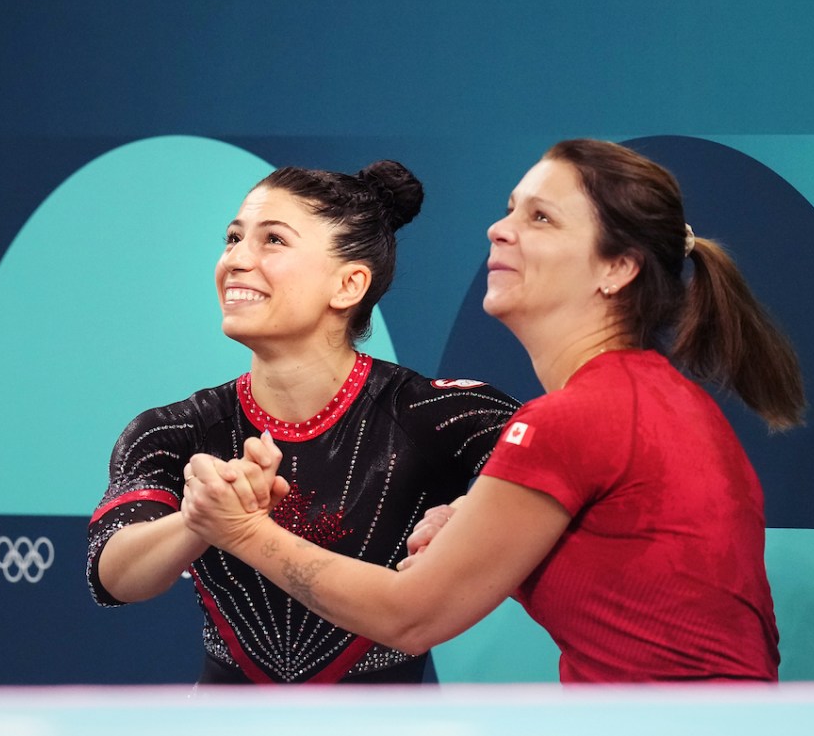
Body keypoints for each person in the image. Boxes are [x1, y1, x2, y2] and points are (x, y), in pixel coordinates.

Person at [183, 139, 806, 683]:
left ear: (616, 268)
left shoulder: (575, 419)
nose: (499, 229)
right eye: (510, 209)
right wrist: (474, 518)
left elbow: (411, 614)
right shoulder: (654, 399)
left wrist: (240, 531)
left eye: (541, 218)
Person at [86, 160, 520, 684]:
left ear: (348, 284)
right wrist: (202, 518)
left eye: (273, 241)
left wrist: (472, 512)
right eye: (232, 238)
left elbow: (573, 475)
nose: (236, 260)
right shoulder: (173, 430)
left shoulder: (437, 413)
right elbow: (114, 577)